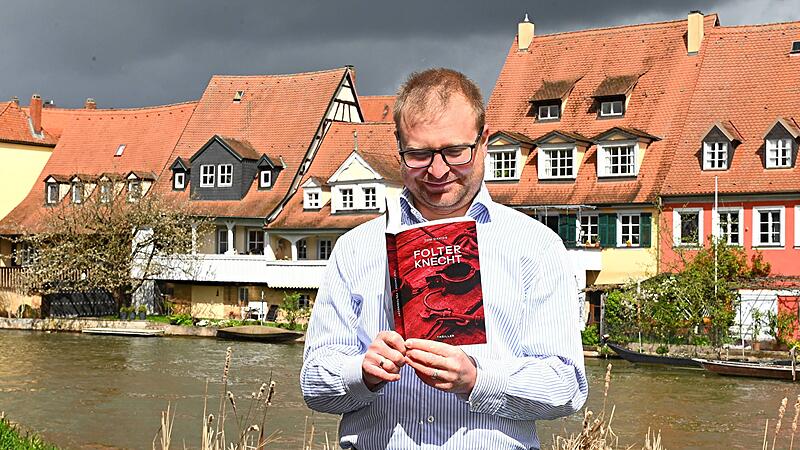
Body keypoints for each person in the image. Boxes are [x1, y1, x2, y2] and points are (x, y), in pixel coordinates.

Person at [301, 68, 587, 449]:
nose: (438, 170)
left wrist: (477, 380)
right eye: (419, 154)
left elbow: (566, 386)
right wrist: (360, 373)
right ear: (399, 146)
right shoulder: (355, 248)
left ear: (483, 141)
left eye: (455, 151)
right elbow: (314, 384)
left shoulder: (535, 246)